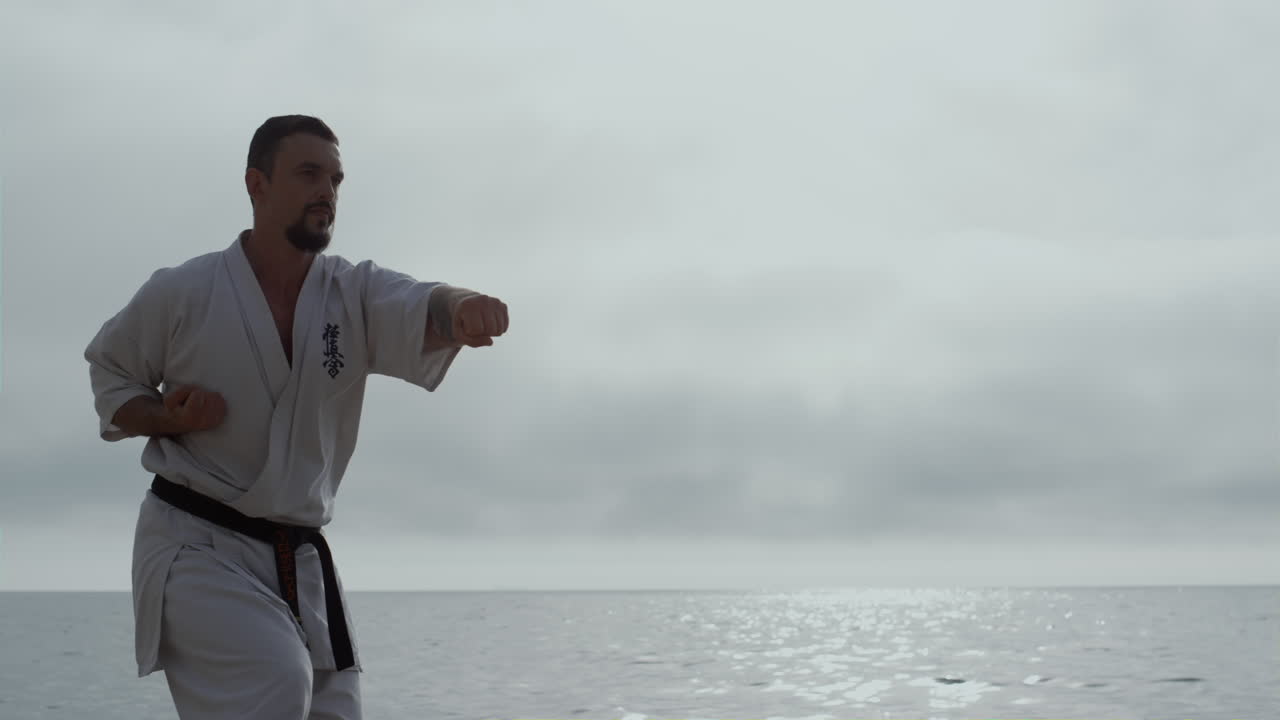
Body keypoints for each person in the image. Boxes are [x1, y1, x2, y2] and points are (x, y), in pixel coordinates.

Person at [83, 114, 508, 719]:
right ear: (256, 185)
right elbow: (112, 375)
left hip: (299, 556)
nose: (326, 192)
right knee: (276, 681)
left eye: (335, 180)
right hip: (196, 544)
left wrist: (463, 307)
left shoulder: (352, 294)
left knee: (335, 711)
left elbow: (425, 301)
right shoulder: (184, 291)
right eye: (308, 174)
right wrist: (166, 418)